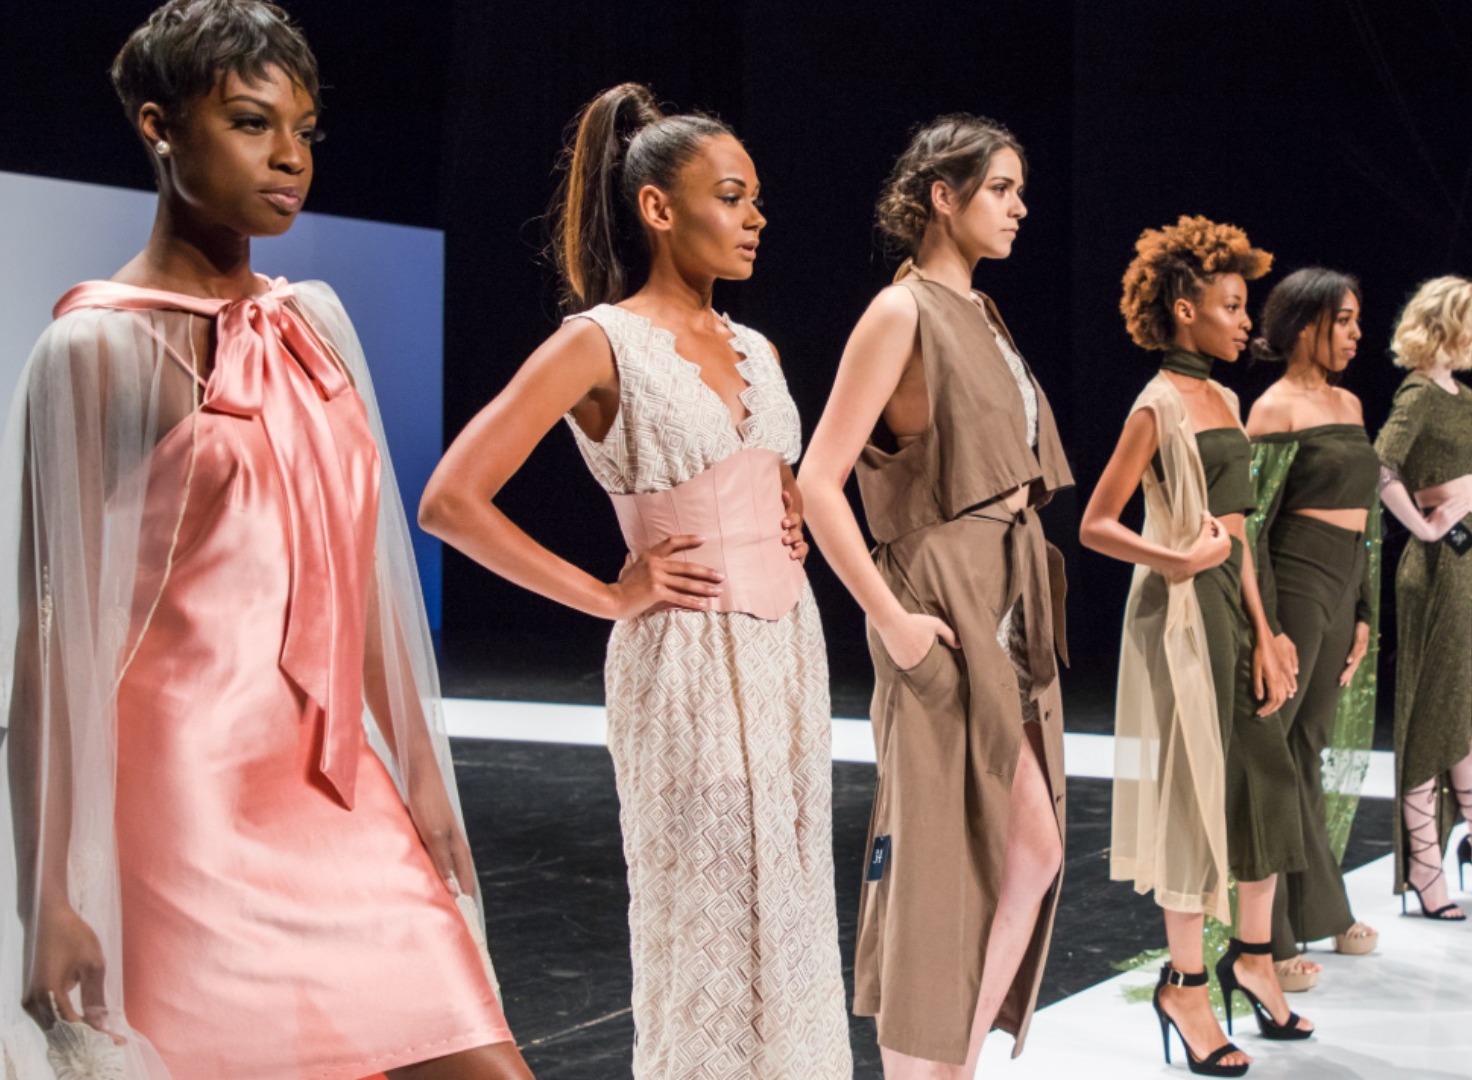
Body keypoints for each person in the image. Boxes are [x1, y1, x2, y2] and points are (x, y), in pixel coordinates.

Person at [0, 3, 527, 1077]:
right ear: (158, 126)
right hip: (187, 807)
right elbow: (52, 636)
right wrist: (47, 895)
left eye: (306, 129)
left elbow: (360, 568)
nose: (289, 156)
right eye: (249, 121)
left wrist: (417, 776)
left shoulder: (312, 322)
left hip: (335, 784)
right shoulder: (97, 346)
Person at [417, 84, 849, 1078]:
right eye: (732, 196)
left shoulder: (759, 349)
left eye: (756, 199)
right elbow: (451, 500)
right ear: (658, 207)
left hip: (788, 658)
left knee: (787, 911)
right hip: (687, 667)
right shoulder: (600, 342)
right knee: (705, 919)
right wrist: (609, 594)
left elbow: (769, 477)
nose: (755, 218)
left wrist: (786, 517)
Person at [796, 115, 1072, 1078]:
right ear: (941, 198)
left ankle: (948, 1061)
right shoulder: (900, 311)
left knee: (1029, 850)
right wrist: (894, 622)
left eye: (1020, 189)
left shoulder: (983, 315)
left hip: (1005, 600)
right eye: (1001, 188)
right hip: (939, 602)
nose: (1020, 207)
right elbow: (816, 481)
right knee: (938, 863)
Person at [1078, 216, 1275, 1076]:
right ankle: (1187, 986)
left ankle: (1241, 964)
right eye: (1232, 306)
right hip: (1179, 618)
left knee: (1249, 787)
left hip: (1233, 612)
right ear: (1186, 310)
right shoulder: (1156, 405)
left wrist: (1268, 635)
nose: (1246, 322)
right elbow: (1094, 525)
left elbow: (1241, 533)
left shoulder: (1226, 401)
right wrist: (1175, 560)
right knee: (1190, 799)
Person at [1242, 268, 1381, 969]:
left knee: (1309, 750)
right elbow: (1253, 526)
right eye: (1346, 320)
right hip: (1294, 577)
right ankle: (1274, 937)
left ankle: (1318, 911)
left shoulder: (1352, 405)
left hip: (1344, 576)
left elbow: (1369, 518)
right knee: (1281, 750)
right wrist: (1266, 627)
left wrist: (1362, 611)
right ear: (1306, 326)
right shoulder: (1272, 410)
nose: (1358, 333)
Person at [1375, 276, 1472, 920]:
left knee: (1461, 712)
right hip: (1435, 568)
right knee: (1434, 714)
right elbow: (1379, 467)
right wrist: (1423, 521)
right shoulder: (1417, 396)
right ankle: (1429, 870)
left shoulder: (1459, 399)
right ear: (1448, 324)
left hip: (1469, 562)